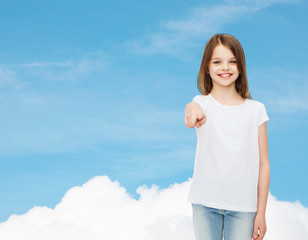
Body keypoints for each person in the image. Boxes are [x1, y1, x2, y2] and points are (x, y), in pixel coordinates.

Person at [184, 33, 270, 240]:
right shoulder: (202, 104)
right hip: (205, 204)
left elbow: (263, 164)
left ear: (240, 67)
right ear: (207, 67)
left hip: (244, 208)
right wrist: (192, 114)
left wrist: (261, 213)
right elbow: (192, 109)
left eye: (232, 61)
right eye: (217, 62)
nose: (225, 67)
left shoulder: (256, 110)